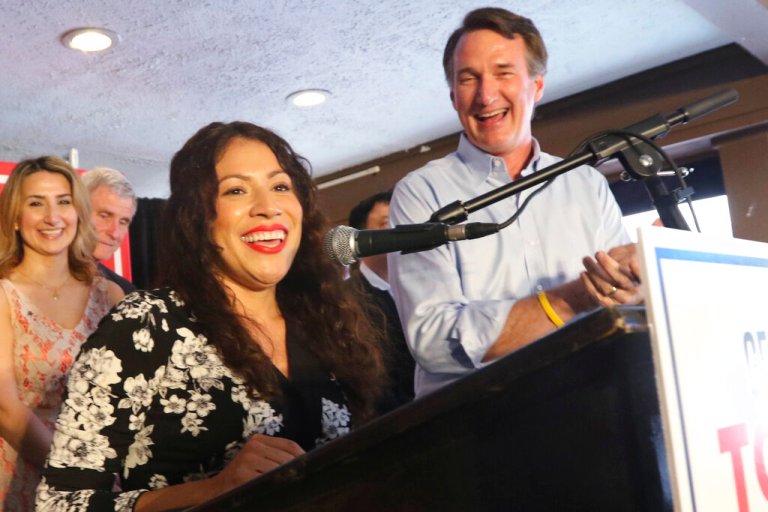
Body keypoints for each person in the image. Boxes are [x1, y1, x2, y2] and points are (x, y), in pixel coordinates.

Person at [36, 121, 386, 511]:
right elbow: (59, 504)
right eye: (236, 190)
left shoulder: (324, 320)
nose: (267, 206)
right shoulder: (146, 324)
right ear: (198, 217)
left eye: (281, 186)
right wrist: (211, 490)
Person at [388, 7, 642, 397]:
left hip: (592, 404)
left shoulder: (586, 183)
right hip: (481, 432)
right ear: (454, 95)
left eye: (503, 72)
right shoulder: (420, 193)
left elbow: (620, 305)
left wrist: (633, 282)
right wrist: (572, 298)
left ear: (537, 86)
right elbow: (435, 342)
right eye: (468, 78)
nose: (485, 95)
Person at [0, 156, 124, 510]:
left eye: (64, 202)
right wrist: (78, 477)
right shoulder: (3, 297)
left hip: (105, 480)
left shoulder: (110, 295)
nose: (52, 217)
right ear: (14, 217)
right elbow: (6, 409)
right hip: (24, 480)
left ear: (78, 212)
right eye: (36, 203)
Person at [347, 191, 415, 409]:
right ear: (361, 240)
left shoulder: (430, 282)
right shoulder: (345, 303)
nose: (399, 231)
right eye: (387, 223)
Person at [81, 167, 138, 294]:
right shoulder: (36, 279)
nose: (114, 233)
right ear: (78, 210)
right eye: (104, 215)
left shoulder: (126, 292)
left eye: (123, 222)